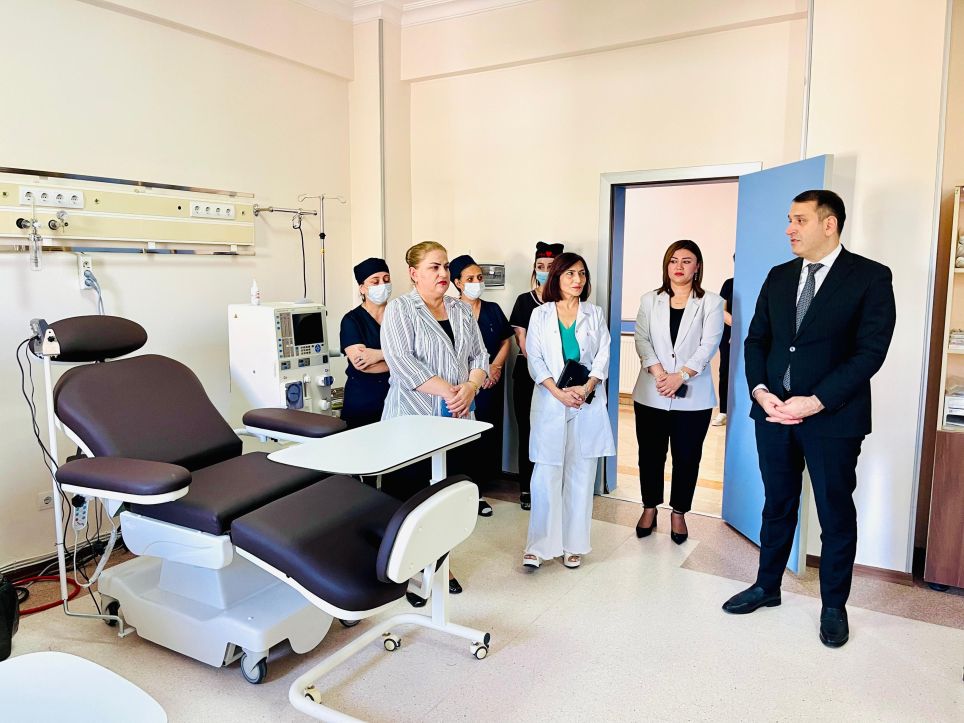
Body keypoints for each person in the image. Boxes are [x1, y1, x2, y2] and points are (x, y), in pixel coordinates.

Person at [721, 190, 896, 649]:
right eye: (789, 219)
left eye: (799, 220)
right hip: (773, 414)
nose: (789, 229)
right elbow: (756, 340)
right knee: (777, 503)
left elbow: (870, 353)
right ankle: (767, 585)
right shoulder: (779, 276)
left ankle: (834, 606)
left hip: (832, 420)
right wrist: (760, 391)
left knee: (835, 512)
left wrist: (816, 400)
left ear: (829, 224)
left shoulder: (870, 277)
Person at [381, 241, 489, 602]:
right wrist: (451, 392)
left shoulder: (460, 310)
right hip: (413, 421)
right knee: (411, 500)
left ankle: (440, 565)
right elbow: (402, 362)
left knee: (445, 498)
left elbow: (479, 355)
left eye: (445, 266)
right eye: (434, 267)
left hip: (456, 421)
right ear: (414, 273)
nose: (443, 273)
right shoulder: (401, 310)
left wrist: (471, 387)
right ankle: (407, 570)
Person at [522, 252, 615, 570]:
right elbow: (535, 358)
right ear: (557, 278)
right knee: (546, 474)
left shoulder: (594, 313)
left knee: (581, 474)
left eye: (582, 274)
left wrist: (587, 388)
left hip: (585, 401)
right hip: (551, 401)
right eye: (570, 274)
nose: (577, 280)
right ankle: (538, 546)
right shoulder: (540, 314)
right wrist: (556, 392)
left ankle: (573, 545)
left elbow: (603, 354)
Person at [632, 240, 724, 545]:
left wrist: (680, 376)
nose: (679, 266)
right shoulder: (650, 300)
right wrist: (661, 375)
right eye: (673, 260)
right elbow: (642, 339)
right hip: (651, 392)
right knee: (650, 455)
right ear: (666, 265)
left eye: (686, 260)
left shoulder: (711, 303)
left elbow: (708, 345)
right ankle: (649, 507)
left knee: (687, 458)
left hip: (693, 397)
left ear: (697, 266)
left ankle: (679, 512)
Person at [450, 254, 513, 514]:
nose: (477, 282)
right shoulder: (450, 311)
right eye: (470, 279)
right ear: (457, 283)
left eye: (479, 277)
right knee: (462, 440)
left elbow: (506, 340)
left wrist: (495, 367)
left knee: (487, 436)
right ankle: (459, 491)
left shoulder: (492, 310)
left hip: (490, 386)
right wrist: (472, 378)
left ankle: (480, 490)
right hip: (461, 387)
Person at [510, 242, 563, 510]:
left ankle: (552, 487)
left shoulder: (566, 302)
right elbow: (522, 341)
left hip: (561, 376)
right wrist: (541, 367)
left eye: (550, 267)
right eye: (540, 266)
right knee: (528, 430)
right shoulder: (524, 301)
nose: (544, 271)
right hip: (527, 374)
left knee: (555, 430)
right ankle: (527, 487)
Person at [339, 258, 392, 430]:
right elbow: (363, 364)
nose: (382, 285)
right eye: (375, 282)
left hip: (396, 398)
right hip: (363, 402)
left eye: (386, 279)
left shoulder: (399, 316)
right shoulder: (352, 320)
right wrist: (401, 359)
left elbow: (418, 355)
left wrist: (378, 355)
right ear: (362, 288)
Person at [712, 275, 734, 426]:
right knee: (725, 371)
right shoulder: (729, 283)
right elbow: (722, 310)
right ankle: (724, 411)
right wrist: (736, 326)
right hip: (728, 334)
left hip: (752, 332)